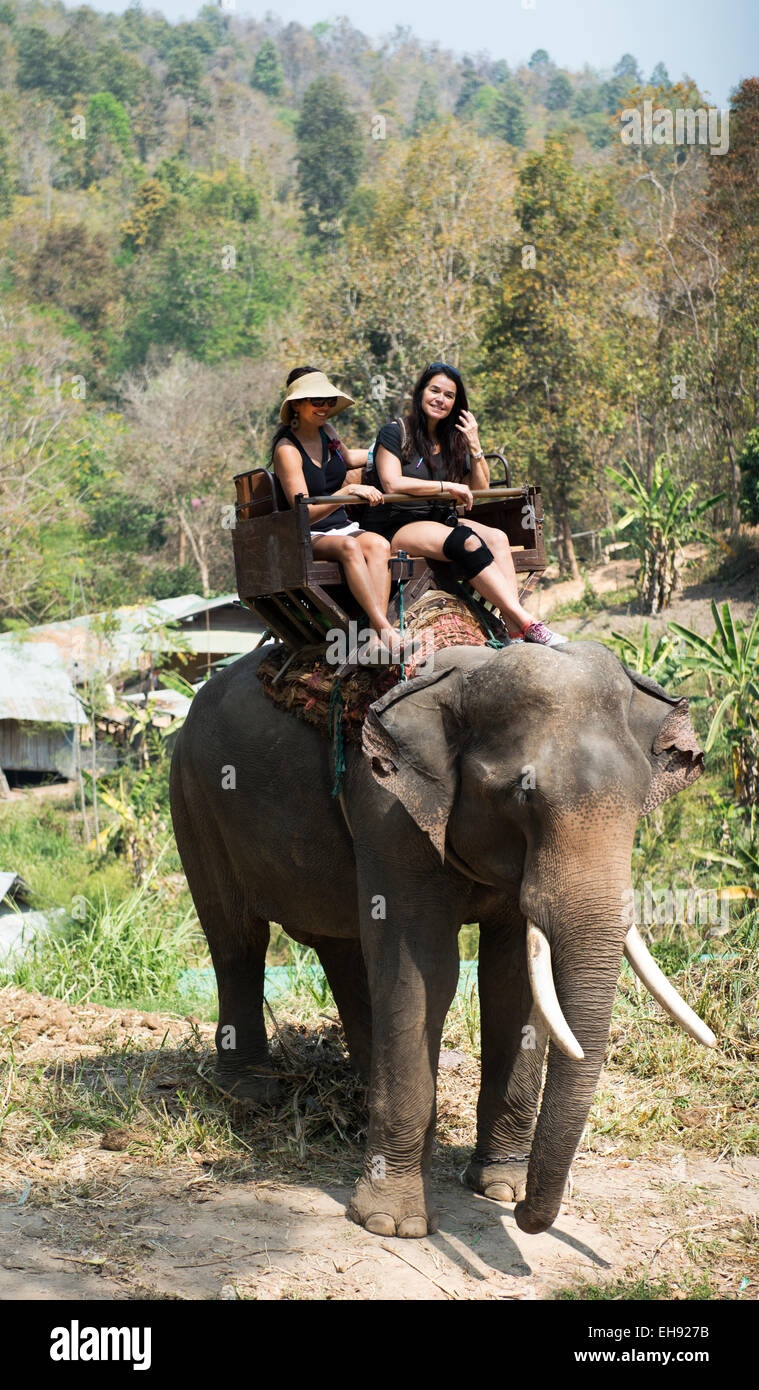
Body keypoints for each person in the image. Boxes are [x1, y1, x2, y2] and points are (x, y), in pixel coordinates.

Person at [363, 362, 567, 646]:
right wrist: (447, 486)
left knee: (497, 538)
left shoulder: (453, 439)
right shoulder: (396, 432)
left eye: (448, 395)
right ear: (421, 392)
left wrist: (474, 444)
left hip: (440, 519)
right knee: (467, 541)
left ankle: (513, 629)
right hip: (400, 523)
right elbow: (391, 483)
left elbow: (479, 490)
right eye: (434, 390)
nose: (440, 399)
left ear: (456, 403)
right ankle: (527, 622)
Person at [271, 367, 399, 652]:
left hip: (341, 526)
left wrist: (385, 452)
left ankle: (377, 638)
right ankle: (383, 628)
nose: (324, 407)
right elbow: (302, 512)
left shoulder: (327, 433)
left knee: (379, 545)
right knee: (350, 549)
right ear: (296, 404)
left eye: (328, 401)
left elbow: (347, 457)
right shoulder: (287, 450)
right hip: (308, 533)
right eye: (317, 401)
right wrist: (345, 493)